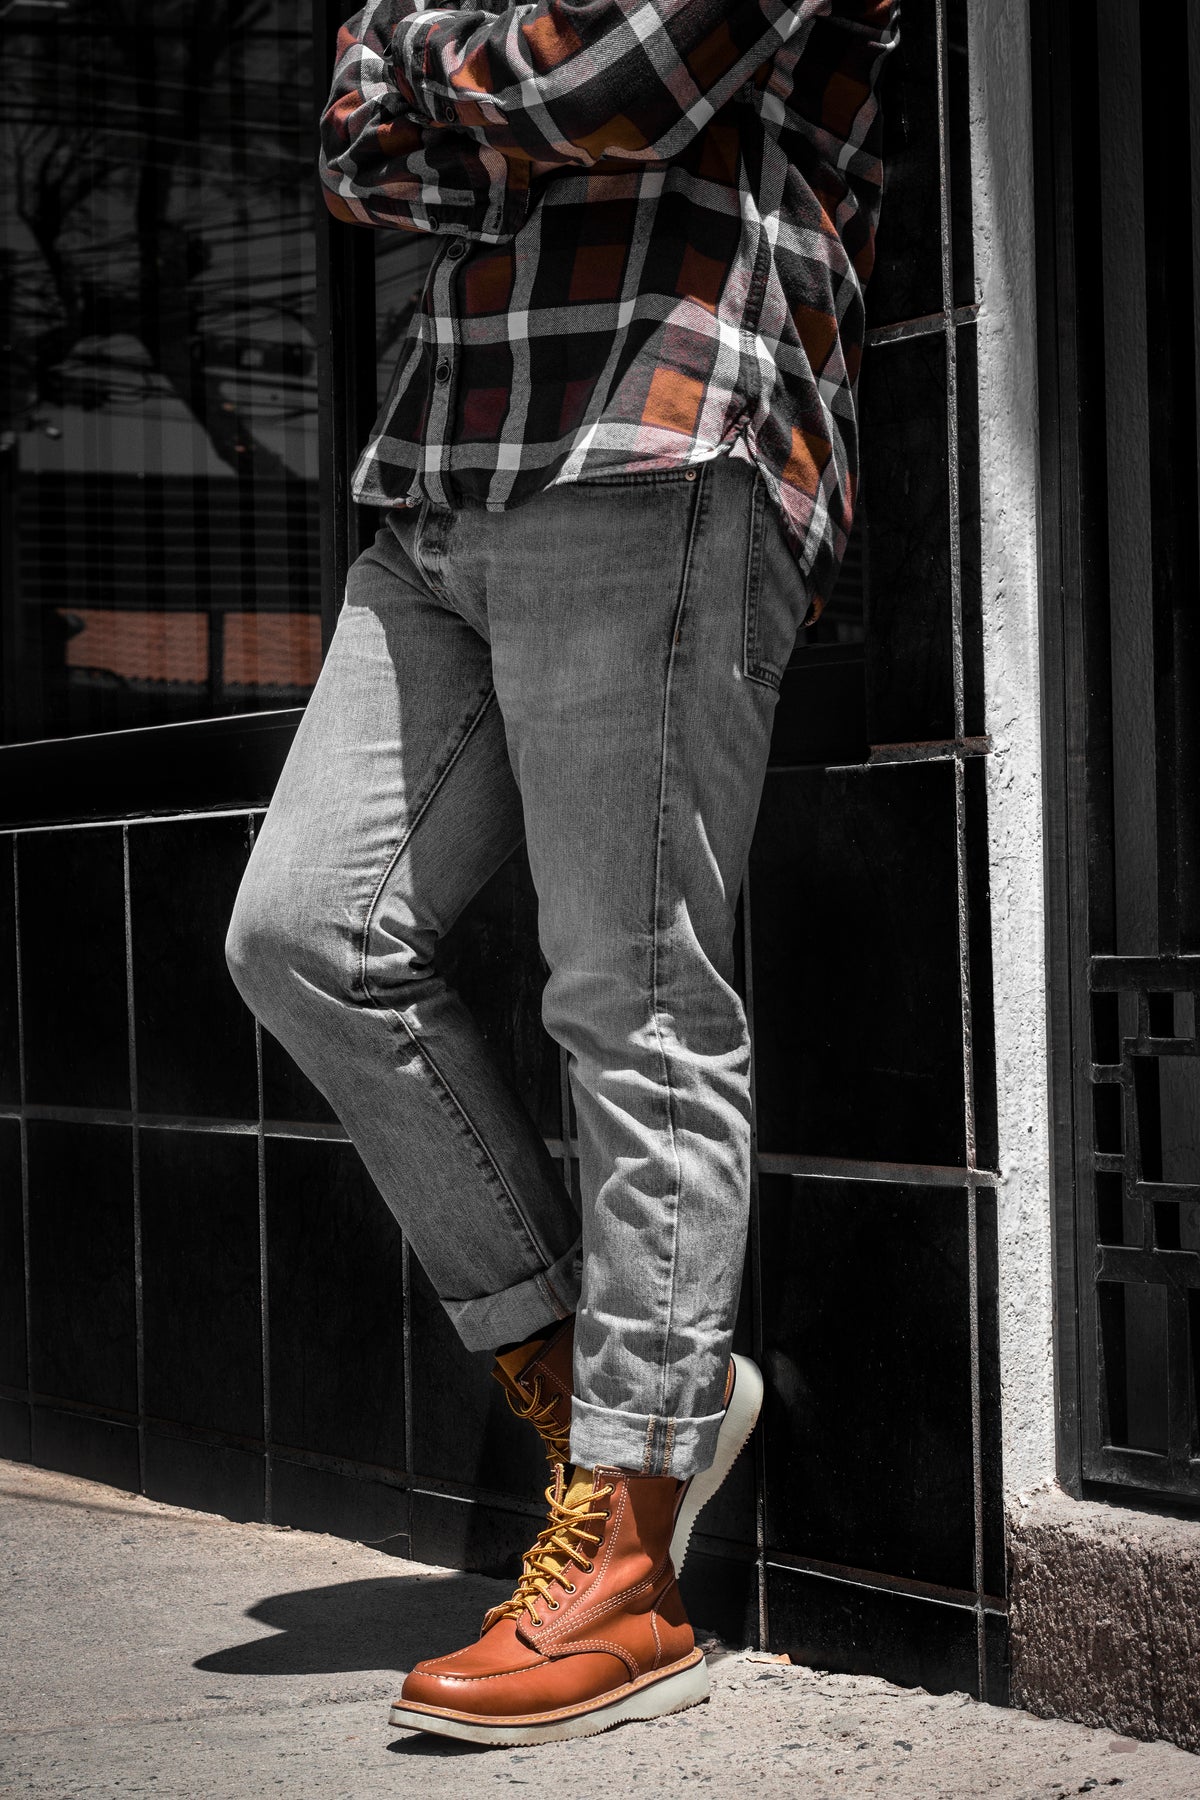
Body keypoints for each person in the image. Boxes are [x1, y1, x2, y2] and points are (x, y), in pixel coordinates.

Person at [225, 0, 898, 1748]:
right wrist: (491, 96)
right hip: (447, 469)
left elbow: (626, 71)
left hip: (657, 438)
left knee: (632, 991)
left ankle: (633, 1562)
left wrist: (442, 70)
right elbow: (356, 148)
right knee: (303, 936)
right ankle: (612, 1393)